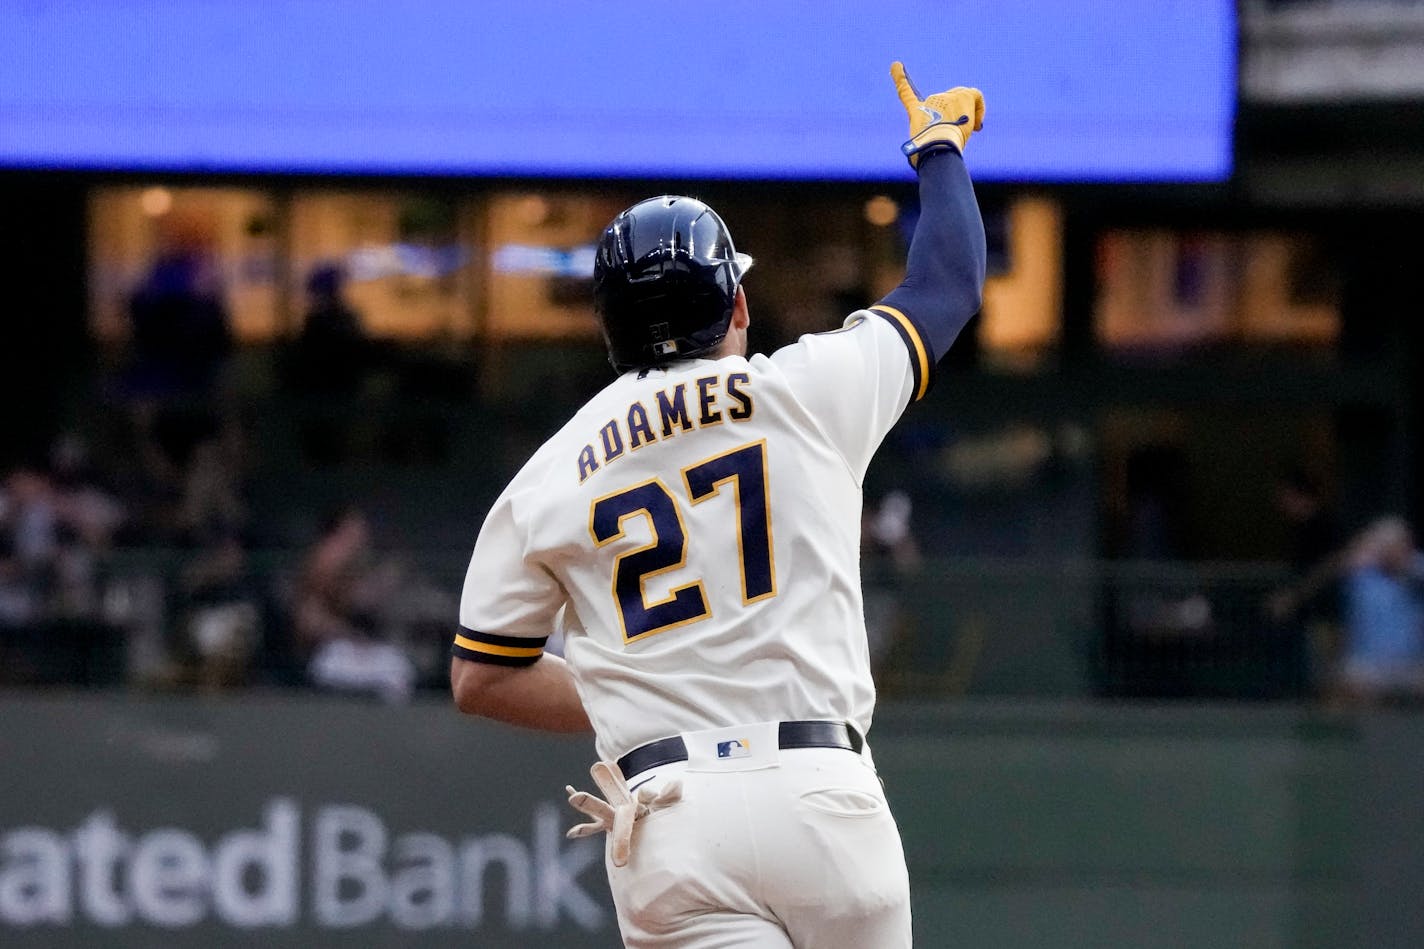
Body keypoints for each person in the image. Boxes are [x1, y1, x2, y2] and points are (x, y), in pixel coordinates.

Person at [451, 63, 986, 948]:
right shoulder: (810, 390)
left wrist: (650, 688)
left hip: (674, 814)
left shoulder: (550, 475)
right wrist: (938, 150)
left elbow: (481, 675)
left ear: (607, 328)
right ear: (738, 304)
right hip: (824, 794)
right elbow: (947, 285)